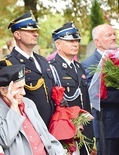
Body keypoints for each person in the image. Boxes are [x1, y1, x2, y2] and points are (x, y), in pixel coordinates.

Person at [0, 64, 65, 155]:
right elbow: (3, 140)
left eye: (23, 87)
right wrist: (14, 107)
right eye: (19, 88)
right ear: (3, 91)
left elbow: (44, 134)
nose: (24, 93)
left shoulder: (28, 103)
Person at [0, 10, 55, 126]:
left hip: (51, 126)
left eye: (36, 31)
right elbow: (6, 101)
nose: (36, 34)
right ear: (17, 35)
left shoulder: (42, 60)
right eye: (30, 31)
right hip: (29, 125)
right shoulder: (9, 63)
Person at [49, 21, 94, 155]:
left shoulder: (79, 67)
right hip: (65, 131)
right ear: (58, 44)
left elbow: (84, 101)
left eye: (77, 40)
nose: (75, 44)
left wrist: (89, 131)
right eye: (70, 41)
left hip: (83, 131)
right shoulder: (52, 68)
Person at [81, 24, 119, 155]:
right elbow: (97, 96)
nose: (114, 37)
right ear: (97, 42)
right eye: (109, 35)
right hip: (107, 127)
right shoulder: (89, 64)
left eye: (114, 34)